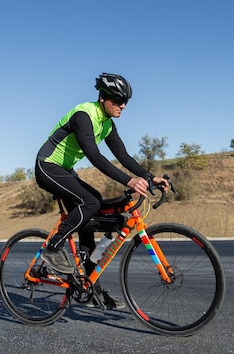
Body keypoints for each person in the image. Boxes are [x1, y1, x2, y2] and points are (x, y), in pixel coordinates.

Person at [34, 72, 169, 309]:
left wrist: (150, 177)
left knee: (94, 210)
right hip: (47, 166)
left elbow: (123, 155)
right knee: (90, 201)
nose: (123, 106)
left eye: (125, 101)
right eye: (117, 101)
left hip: (64, 169)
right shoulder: (83, 115)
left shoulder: (107, 124)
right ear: (103, 98)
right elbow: (93, 155)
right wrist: (129, 181)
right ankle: (53, 247)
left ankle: (88, 287)